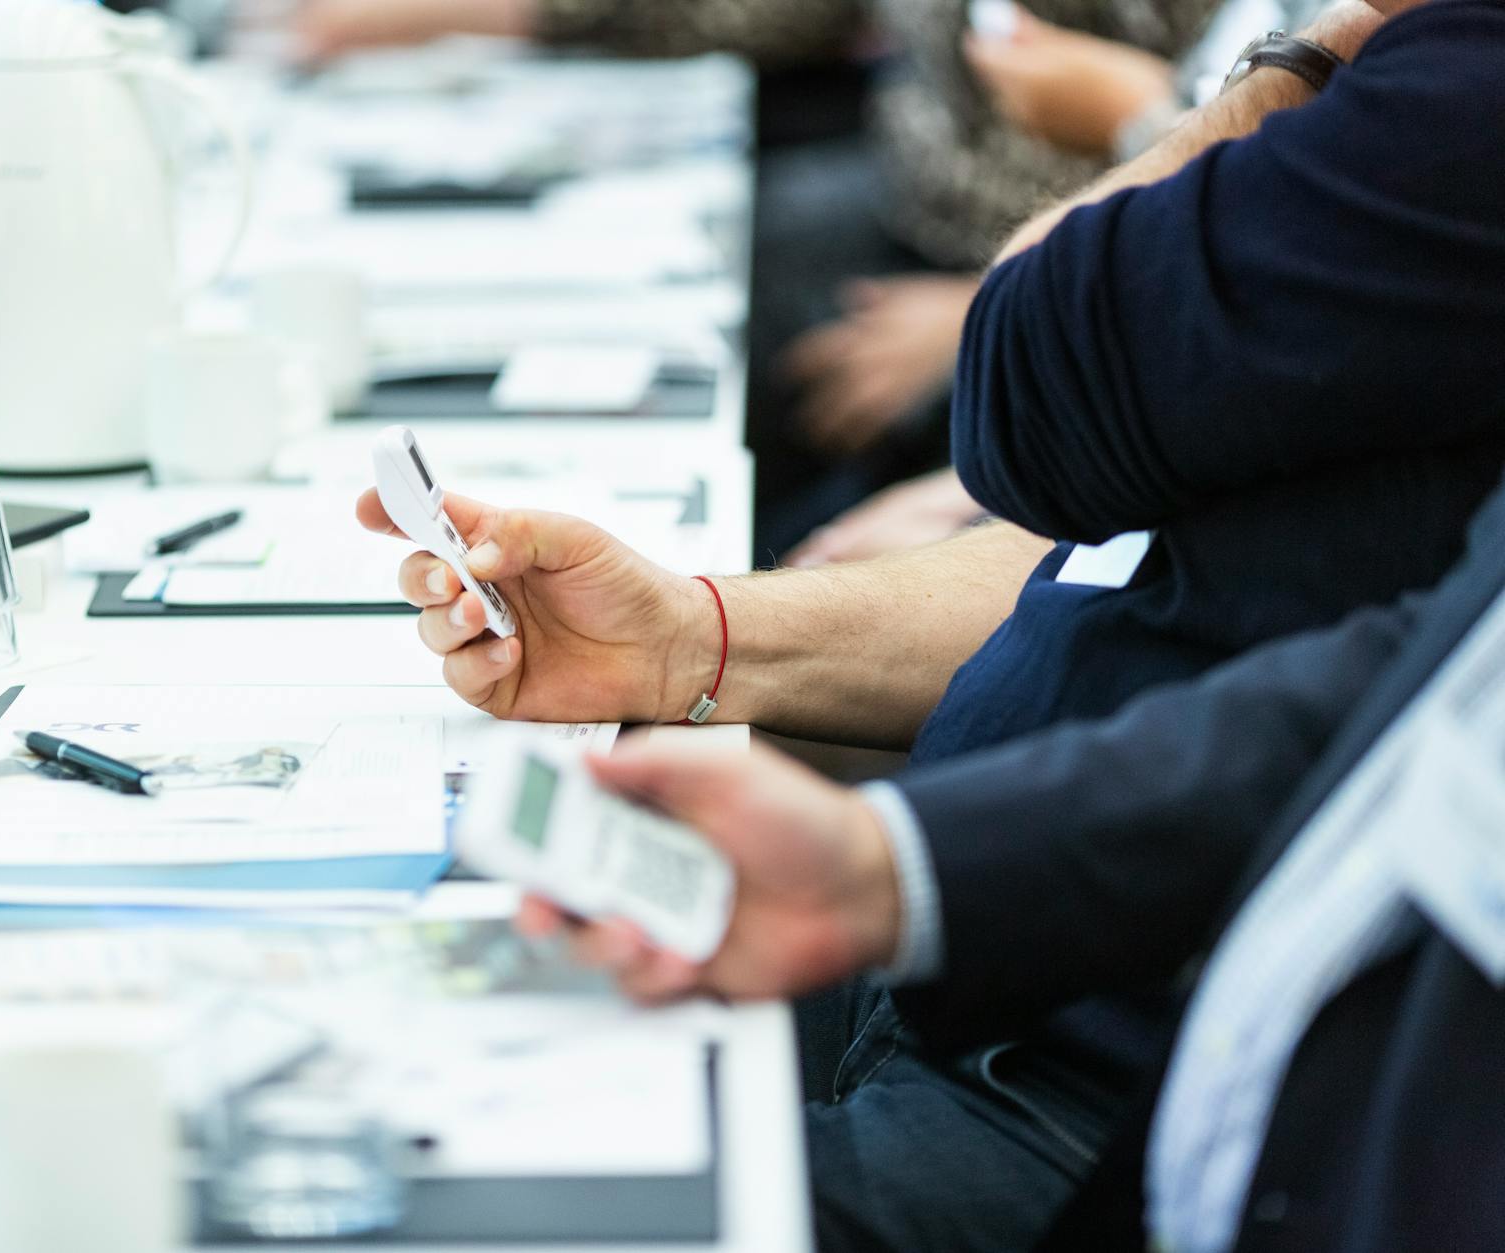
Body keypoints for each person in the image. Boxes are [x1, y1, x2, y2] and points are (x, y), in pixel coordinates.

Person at [357, 0, 1505, 1245]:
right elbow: (1265, 595)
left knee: (397, 1202)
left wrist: (1296, 65)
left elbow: (1033, 376)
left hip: (1095, 1077)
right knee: (372, 1057)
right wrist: (695, 639)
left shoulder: (1458, 77)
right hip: (976, 938)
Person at [529, 466, 1505, 1253]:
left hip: (1127, 1100)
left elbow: (1053, 345)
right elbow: (1386, 701)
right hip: (1002, 955)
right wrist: (893, 863)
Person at [291, 0, 1218, 554]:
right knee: (641, 312)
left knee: (709, 413)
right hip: (917, 205)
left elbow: (1251, 173)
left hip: (1058, 262)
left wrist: (1005, 299)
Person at [786, 0, 1339, 568]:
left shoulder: (1375, 40)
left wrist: (1136, 114)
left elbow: (1268, 254)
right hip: (994, 254)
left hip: (1092, 308)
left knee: (818, 555)